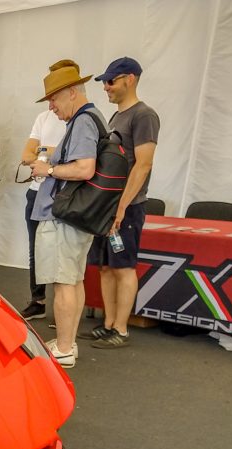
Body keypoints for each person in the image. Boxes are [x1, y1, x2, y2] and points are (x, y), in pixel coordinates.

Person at [28, 60, 104, 368]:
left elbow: (85, 168)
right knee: (73, 280)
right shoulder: (90, 118)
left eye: (55, 98)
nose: (51, 106)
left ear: (73, 93)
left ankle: (62, 347)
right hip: (74, 217)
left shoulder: (83, 122)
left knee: (63, 282)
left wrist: (48, 169)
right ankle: (67, 343)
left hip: (63, 217)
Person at [83, 57, 160, 349]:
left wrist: (123, 206)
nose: (106, 87)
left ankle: (122, 329)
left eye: (111, 81)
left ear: (130, 79)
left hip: (127, 206)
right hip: (108, 205)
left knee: (124, 267)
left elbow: (143, 164)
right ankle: (108, 324)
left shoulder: (144, 116)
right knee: (105, 266)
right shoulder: (116, 117)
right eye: (105, 81)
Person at [18, 109, 66, 319]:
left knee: (60, 252)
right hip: (36, 192)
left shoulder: (78, 121)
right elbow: (26, 156)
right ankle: (38, 301)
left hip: (63, 194)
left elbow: (76, 157)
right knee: (34, 249)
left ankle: (62, 309)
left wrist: (43, 150)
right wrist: (53, 154)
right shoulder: (43, 117)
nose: (51, 101)